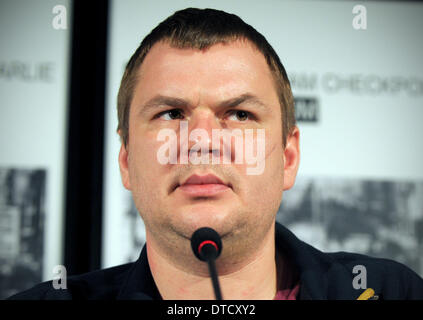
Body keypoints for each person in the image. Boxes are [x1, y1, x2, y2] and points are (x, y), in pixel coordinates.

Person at [8, 7, 423, 300]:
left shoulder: (390, 292)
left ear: (289, 158)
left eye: (239, 114)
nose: (202, 140)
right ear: (126, 160)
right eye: (171, 113)